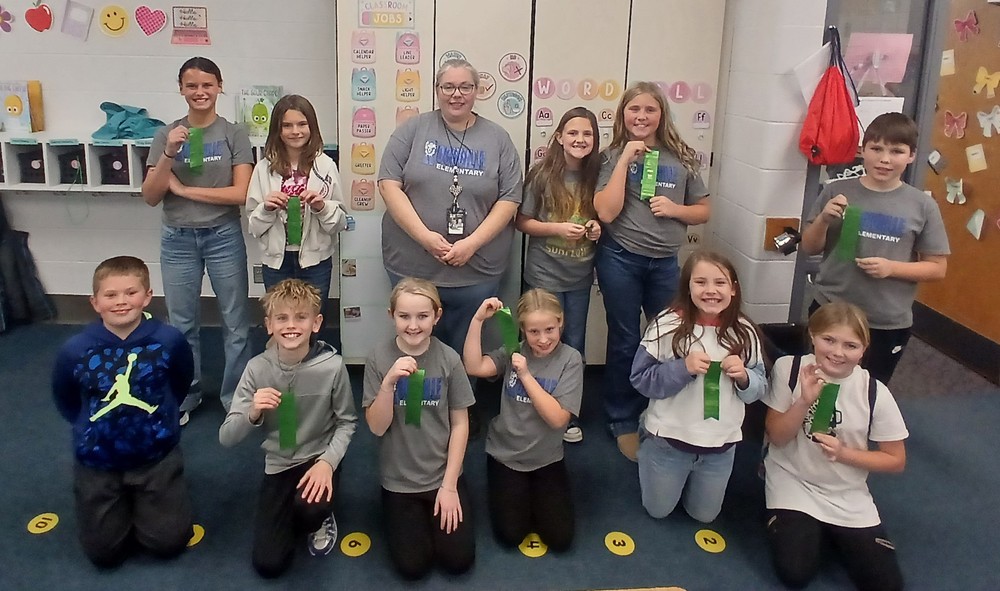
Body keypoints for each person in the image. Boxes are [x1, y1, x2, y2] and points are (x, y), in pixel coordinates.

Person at [51, 256, 195, 568]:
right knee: (104, 554)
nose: (121, 302)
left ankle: (150, 498)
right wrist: (87, 430)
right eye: (111, 295)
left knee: (168, 543)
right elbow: (66, 398)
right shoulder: (75, 349)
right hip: (98, 459)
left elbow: (180, 382)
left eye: (131, 292)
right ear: (94, 302)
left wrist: (162, 423)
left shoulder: (168, 340)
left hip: (155, 454)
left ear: (147, 296)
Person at [594, 81, 711, 461]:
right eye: (634, 110)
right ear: (622, 115)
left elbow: (703, 210)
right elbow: (606, 212)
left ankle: (663, 413)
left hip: (664, 264)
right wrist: (626, 158)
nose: (641, 117)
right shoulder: (612, 156)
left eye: (650, 110)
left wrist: (676, 210)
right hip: (620, 258)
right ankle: (621, 418)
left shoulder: (682, 157)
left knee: (668, 340)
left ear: (662, 114)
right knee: (626, 339)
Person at [377, 58, 522, 357]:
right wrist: (425, 238)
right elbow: (388, 184)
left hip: (477, 268)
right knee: (415, 344)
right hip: (413, 266)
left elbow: (510, 198)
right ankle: (419, 402)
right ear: (437, 90)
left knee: (467, 346)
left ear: (476, 91)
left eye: (465, 87)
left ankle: (462, 403)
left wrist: (471, 243)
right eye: (449, 87)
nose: (457, 94)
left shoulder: (498, 139)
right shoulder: (412, 130)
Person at [762, 302, 907, 591]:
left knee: (887, 586)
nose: (838, 352)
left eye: (850, 345)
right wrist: (803, 401)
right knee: (795, 573)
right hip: (793, 480)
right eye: (829, 340)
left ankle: (833, 532)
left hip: (846, 493)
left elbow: (895, 460)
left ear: (864, 349)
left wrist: (844, 454)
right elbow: (777, 437)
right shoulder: (789, 368)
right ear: (812, 336)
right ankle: (814, 530)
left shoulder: (874, 391)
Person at [141, 56, 254, 423]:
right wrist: (170, 152)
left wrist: (186, 190)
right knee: (181, 324)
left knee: (236, 322)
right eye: (192, 86)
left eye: (207, 84)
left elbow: (241, 194)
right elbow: (152, 194)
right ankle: (185, 396)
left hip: (223, 235)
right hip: (177, 239)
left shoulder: (234, 133)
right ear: (181, 89)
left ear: (220, 86)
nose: (200, 92)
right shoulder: (166, 134)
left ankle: (235, 397)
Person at [219, 279, 357, 578]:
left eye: (301, 317)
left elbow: (347, 422)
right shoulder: (257, 369)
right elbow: (227, 437)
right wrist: (252, 412)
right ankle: (295, 510)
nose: (291, 326)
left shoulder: (333, 367)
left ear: (316, 323)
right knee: (269, 564)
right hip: (279, 463)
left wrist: (327, 463)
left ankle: (320, 517)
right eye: (281, 318)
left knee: (309, 510)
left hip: (318, 458)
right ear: (269, 325)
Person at [800, 111, 949, 385]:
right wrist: (823, 219)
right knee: (817, 382)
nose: (885, 159)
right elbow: (808, 247)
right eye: (876, 148)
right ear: (863, 150)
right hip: (831, 308)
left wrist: (892, 268)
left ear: (911, 156)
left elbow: (937, 268)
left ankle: (857, 430)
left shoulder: (922, 205)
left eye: (896, 151)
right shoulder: (836, 191)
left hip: (885, 320)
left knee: (870, 390)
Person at [630, 250, 765, 523]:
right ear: (687, 287)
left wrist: (745, 378)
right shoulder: (667, 325)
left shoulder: (745, 331)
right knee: (658, 511)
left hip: (720, 446)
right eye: (700, 282)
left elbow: (759, 389)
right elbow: (641, 379)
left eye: (720, 283)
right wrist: (682, 368)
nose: (711, 290)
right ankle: (647, 436)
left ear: (734, 289)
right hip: (670, 441)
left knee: (704, 516)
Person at [363, 277, 476, 579]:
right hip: (399, 480)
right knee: (413, 567)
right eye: (404, 316)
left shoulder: (449, 359)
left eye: (423, 316)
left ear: (437, 316)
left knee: (458, 561)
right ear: (391, 316)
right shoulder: (377, 358)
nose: (413, 325)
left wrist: (450, 484)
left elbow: (460, 423)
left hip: (442, 475)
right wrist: (387, 385)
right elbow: (375, 427)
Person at [463, 289, 583, 551]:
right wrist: (477, 321)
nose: (542, 340)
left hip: (547, 457)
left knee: (560, 539)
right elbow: (474, 367)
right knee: (510, 535)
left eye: (550, 329)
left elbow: (558, 419)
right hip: (506, 454)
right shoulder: (513, 350)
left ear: (561, 321)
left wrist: (526, 376)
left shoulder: (570, 360)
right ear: (522, 330)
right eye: (533, 332)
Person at [516, 106, 601, 443]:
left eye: (588, 134)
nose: (580, 139)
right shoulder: (541, 175)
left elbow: (606, 216)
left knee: (574, 345)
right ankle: (530, 404)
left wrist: (596, 230)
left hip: (580, 277)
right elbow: (522, 222)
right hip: (543, 276)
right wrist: (556, 228)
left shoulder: (599, 176)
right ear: (559, 137)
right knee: (537, 342)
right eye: (573, 133)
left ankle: (567, 413)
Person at [246, 94, 347, 324]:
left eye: (302, 124)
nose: (295, 131)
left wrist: (321, 207)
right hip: (277, 262)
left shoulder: (325, 166)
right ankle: (282, 361)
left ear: (312, 127)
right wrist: (267, 208)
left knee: (311, 323)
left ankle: (310, 361)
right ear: (277, 130)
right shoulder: (264, 169)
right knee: (280, 321)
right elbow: (253, 225)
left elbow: (339, 223)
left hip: (315, 262)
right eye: (287, 125)